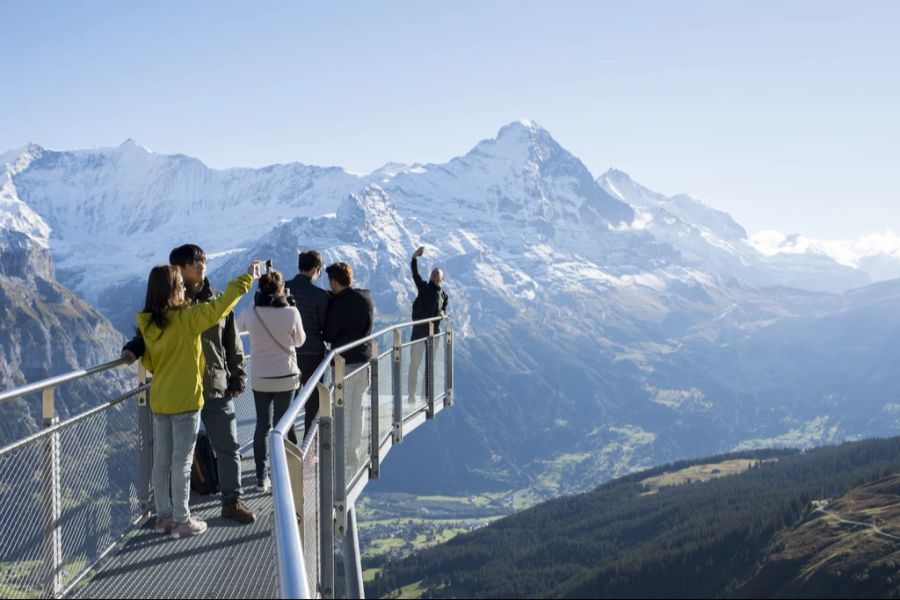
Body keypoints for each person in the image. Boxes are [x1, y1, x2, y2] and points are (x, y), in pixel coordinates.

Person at [122, 244, 256, 525]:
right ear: (179, 270)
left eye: (203, 261)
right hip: (187, 393)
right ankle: (178, 514)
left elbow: (232, 341)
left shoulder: (207, 300)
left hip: (213, 384)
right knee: (179, 458)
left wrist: (238, 374)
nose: (202, 266)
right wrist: (133, 347)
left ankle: (230, 501)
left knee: (227, 447)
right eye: (196, 262)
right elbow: (145, 338)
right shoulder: (180, 313)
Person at [237, 267, 306, 492]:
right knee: (283, 425)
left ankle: (261, 477)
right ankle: (286, 474)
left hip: (260, 377)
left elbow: (238, 327)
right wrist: (290, 304)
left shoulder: (252, 311)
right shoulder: (291, 312)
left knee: (262, 426)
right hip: (286, 376)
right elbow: (300, 342)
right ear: (281, 289)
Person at [323, 262, 374, 466]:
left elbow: (329, 333)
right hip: (364, 357)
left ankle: (342, 449)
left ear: (334, 281)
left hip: (343, 361)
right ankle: (353, 447)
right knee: (358, 406)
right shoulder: (366, 297)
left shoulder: (338, 303)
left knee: (342, 406)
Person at [285, 250, 331, 437]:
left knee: (289, 400)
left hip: (287, 352)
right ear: (315, 269)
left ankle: (289, 440)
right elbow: (324, 325)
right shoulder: (320, 295)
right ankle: (308, 449)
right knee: (313, 402)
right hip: (313, 353)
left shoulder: (283, 288)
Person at [407, 246, 448, 403]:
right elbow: (415, 275)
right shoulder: (424, 288)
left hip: (434, 333)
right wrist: (414, 258)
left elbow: (443, 308)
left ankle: (426, 394)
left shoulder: (444, 295)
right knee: (415, 363)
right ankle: (411, 394)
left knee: (429, 365)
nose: (435, 275)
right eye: (433, 273)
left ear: (442, 278)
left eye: (438, 273)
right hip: (419, 331)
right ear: (431, 277)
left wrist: (443, 313)